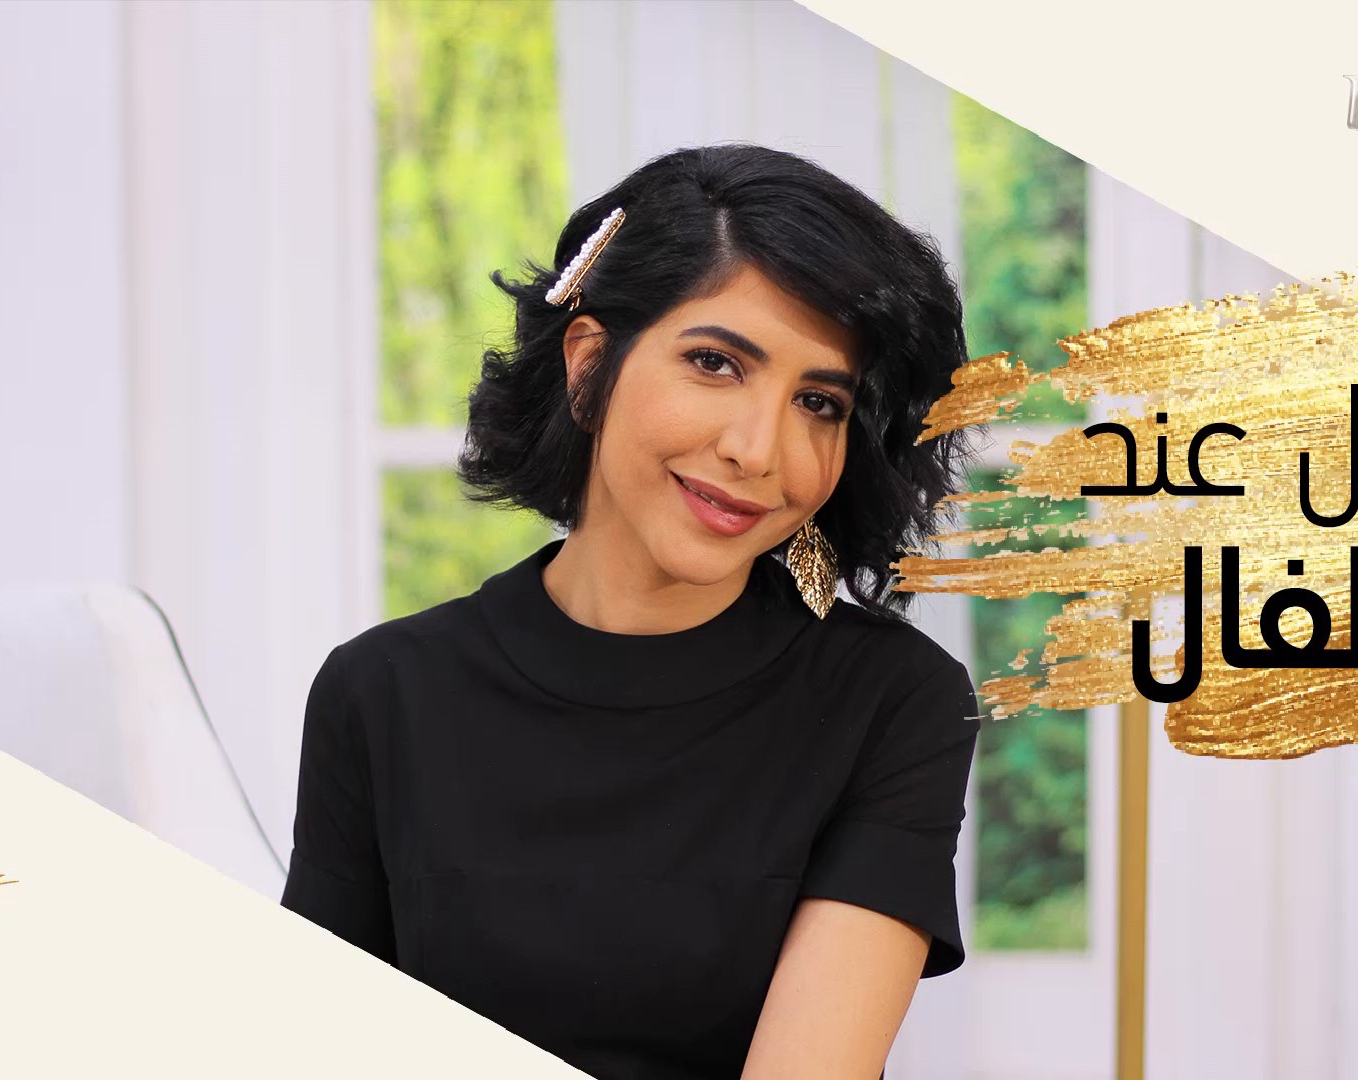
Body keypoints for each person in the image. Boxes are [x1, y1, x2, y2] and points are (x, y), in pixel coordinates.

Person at [281, 143, 982, 1080]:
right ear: (588, 367)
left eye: (819, 402)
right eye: (716, 363)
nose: (758, 450)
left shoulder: (894, 702)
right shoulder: (379, 693)